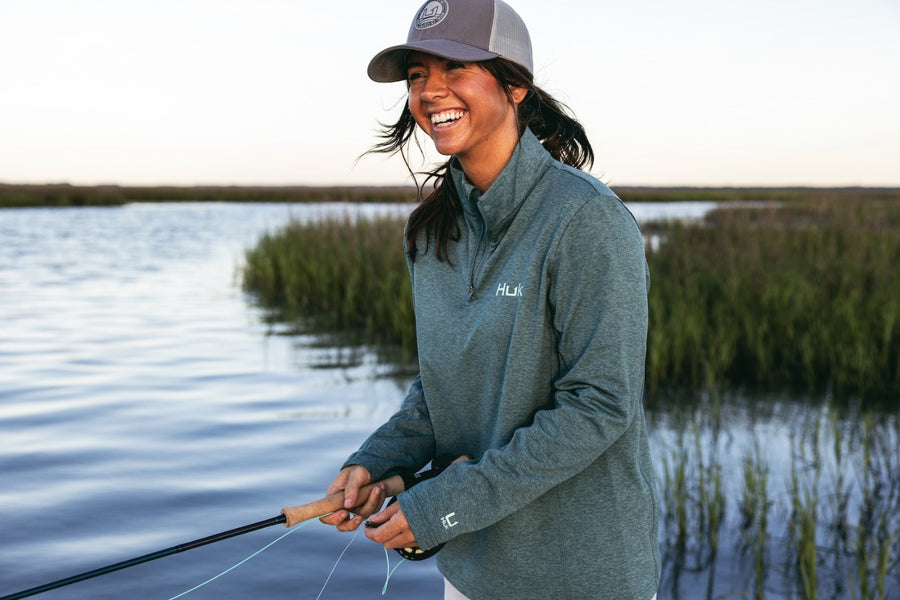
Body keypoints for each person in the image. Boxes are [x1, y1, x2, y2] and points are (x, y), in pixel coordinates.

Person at [320, 1, 660, 598]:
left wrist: (442, 506)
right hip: (472, 575)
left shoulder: (586, 220)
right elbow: (441, 386)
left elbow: (599, 406)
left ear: (516, 85)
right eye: (418, 74)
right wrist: (378, 461)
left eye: (455, 67)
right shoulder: (429, 235)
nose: (431, 91)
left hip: (582, 579)